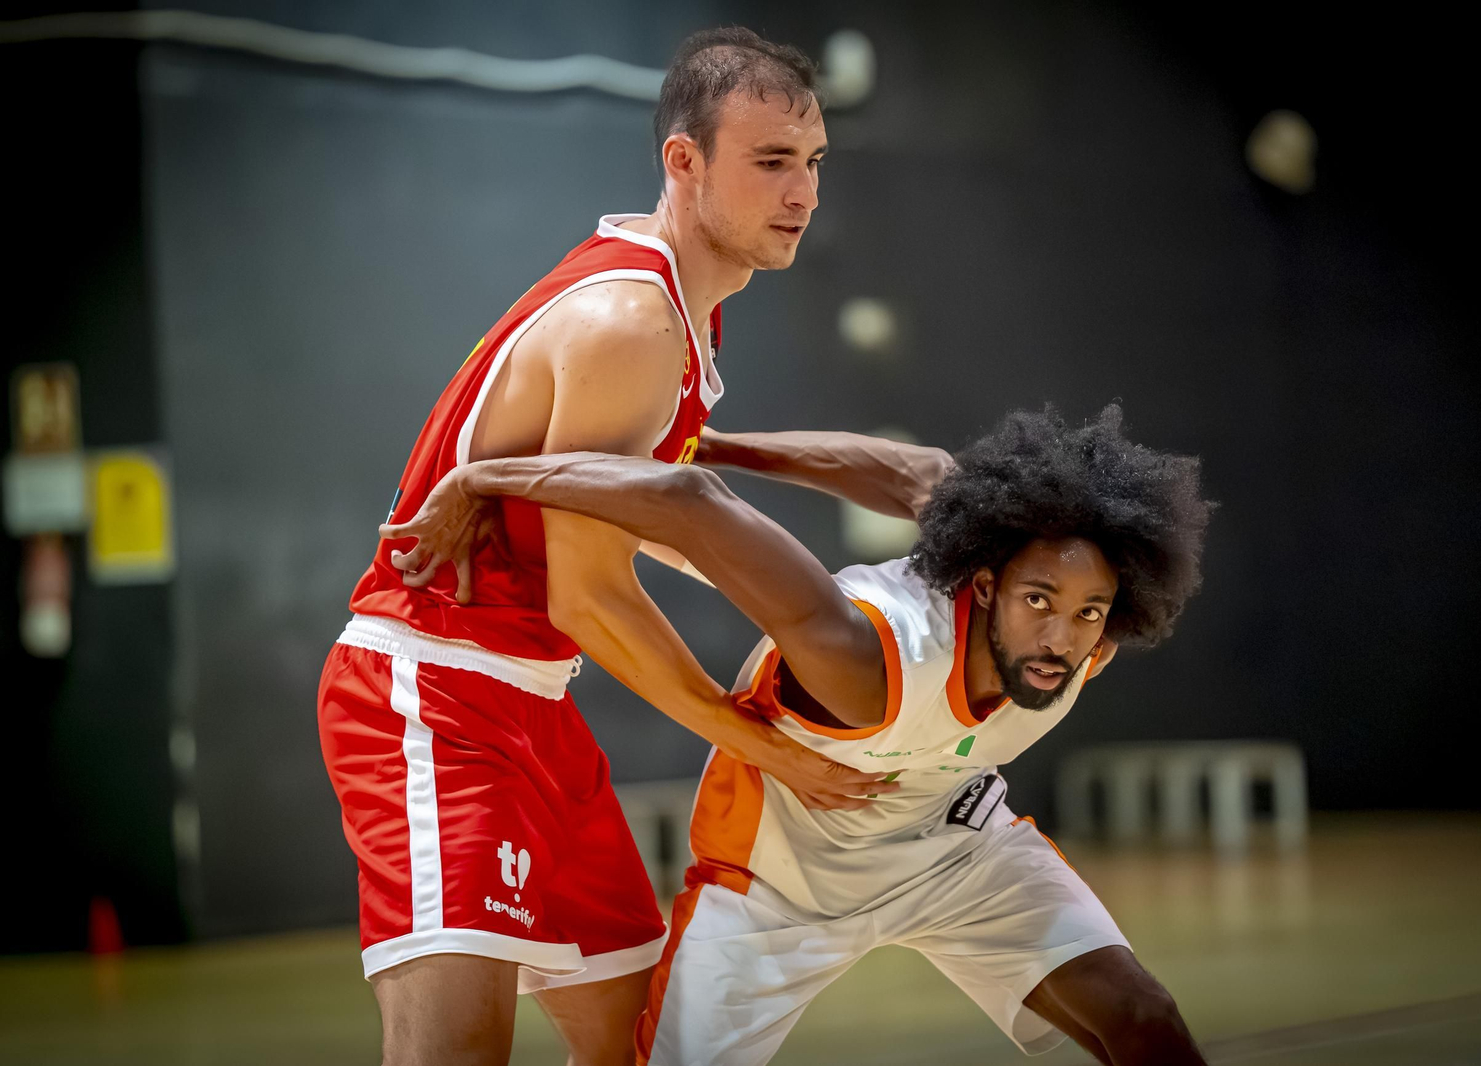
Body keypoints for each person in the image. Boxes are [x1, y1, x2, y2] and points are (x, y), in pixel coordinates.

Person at [315, 27, 891, 1066]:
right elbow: (589, 596)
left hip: (532, 701)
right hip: (435, 692)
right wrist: (763, 745)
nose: (803, 191)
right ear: (684, 159)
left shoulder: (682, 304)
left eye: (813, 161)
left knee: (642, 1045)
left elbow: (658, 518)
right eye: (771, 161)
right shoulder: (633, 321)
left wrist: (834, 605)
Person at [382, 405, 1216, 1065]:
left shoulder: (1079, 643)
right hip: (776, 888)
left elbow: (920, 471)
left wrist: (724, 443)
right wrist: (485, 477)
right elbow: (689, 503)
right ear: (989, 586)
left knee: (1143, 1019)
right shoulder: (863, 661)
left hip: (954, 851)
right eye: (1040, 601)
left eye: (1088, 612)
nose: (1062, 636)